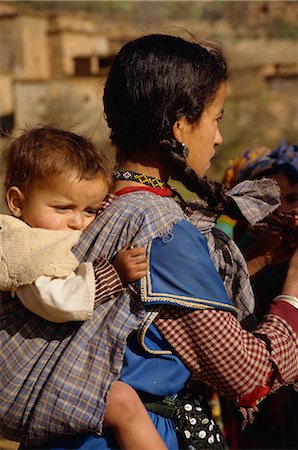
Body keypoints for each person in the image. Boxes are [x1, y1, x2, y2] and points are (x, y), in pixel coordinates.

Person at [1, 34, 297, 450]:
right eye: (215, 118)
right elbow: (248, 375)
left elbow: (157, 311)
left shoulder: (93, 207)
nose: (217, 138)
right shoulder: (160, 226)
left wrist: (259, 259)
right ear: (179, 126)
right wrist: (294, 291)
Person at [0, 125, 167, 450]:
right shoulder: (22, 247)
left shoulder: (50, 230)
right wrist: (112, 275)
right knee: (122, 402)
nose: (78, 222)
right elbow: (57, 299)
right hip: (17, 382)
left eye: (90, 210)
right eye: (63, 208)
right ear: (17, 202)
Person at [219, 142, 298, 450]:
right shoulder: (236, 250)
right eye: (267, 202)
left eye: (292, 199)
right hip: (259, 382)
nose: (284, 212)